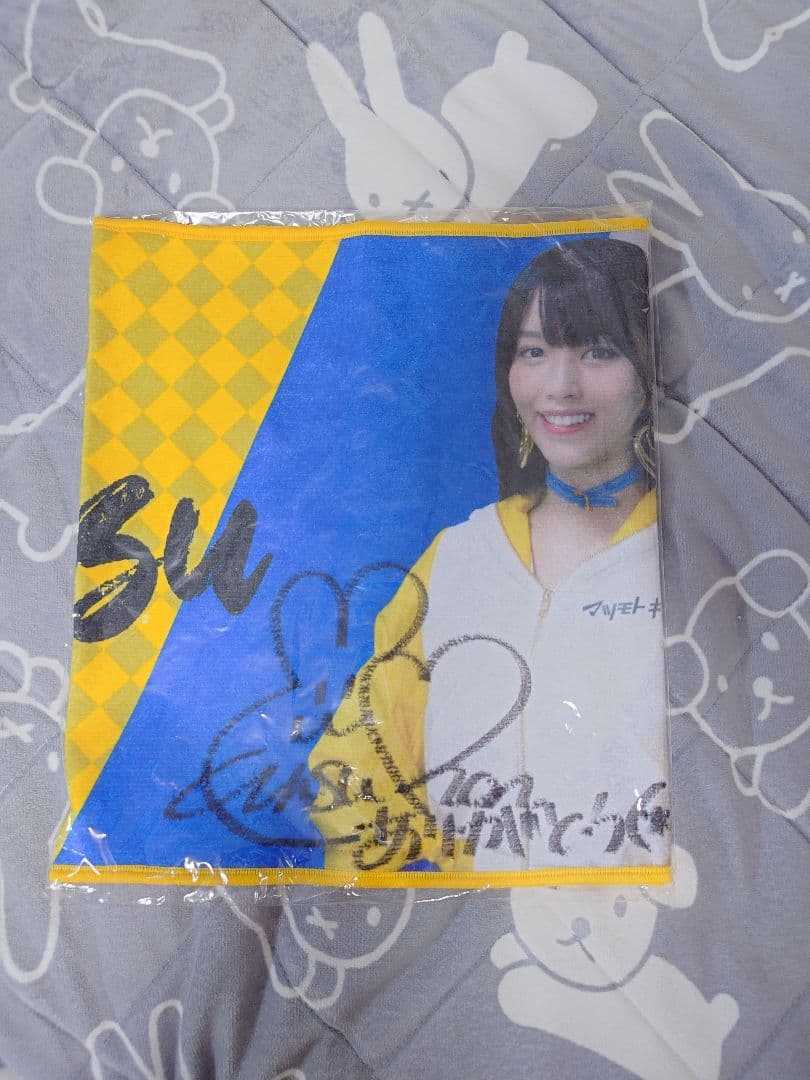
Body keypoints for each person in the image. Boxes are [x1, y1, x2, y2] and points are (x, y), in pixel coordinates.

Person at [308, 237, 670, 876]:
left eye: (599, 350)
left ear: (651, 368)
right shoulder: (458, 557)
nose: (560, 386)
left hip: (658, 924)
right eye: (534, 351)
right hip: (480, 928)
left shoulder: (691, 556)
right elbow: (360, 778)